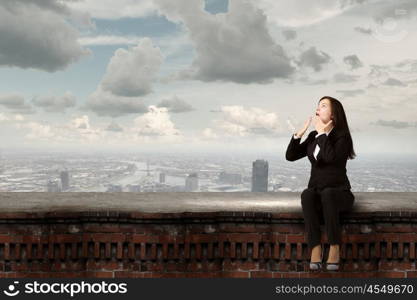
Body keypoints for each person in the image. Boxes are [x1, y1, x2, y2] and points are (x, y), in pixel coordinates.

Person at [285, 96, 356, 271]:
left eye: (323, 106)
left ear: (333, 114)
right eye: (317, 107)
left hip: (339, 194)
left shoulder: (342, 137)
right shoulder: (313, 136)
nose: (317, 110)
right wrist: (298, 135)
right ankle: (315, 247)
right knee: (307, 194)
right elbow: (291, 156)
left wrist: (323, 134)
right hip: (319, 194)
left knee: (328, 193)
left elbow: (331, 158)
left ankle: (334, 247)